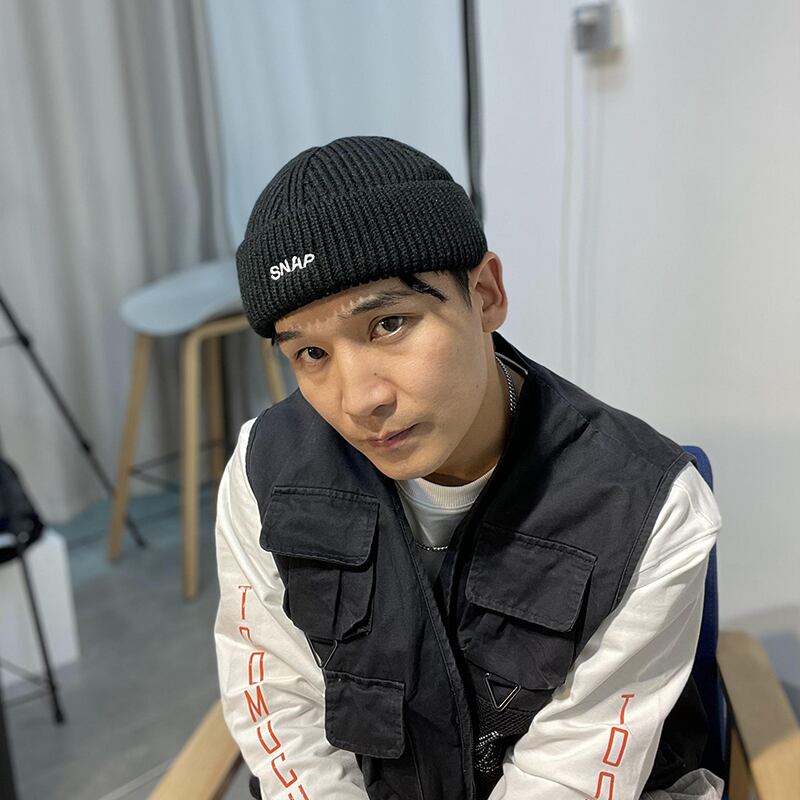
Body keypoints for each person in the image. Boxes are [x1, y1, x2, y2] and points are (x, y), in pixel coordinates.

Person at [213, 135, 725, 800]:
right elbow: (282, 702)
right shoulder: (265, 471)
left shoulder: (645, 508)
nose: (360, 399)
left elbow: (569, 778)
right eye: (311, 354)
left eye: (389, 324)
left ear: (484, 294)